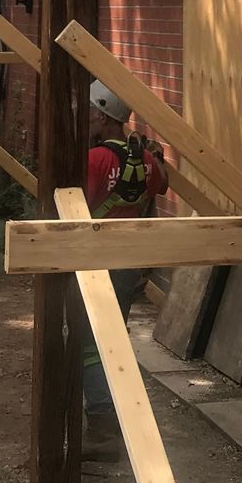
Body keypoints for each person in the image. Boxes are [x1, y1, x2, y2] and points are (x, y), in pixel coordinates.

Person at [80, 79, 167, 462]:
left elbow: (75, 206)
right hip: (128, 263)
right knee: (113, 339)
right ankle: (114, 418)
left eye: (90, 113)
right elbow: (162, 184)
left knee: (89, 345)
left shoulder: (95, 160)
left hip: (95, 260)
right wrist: (157, 157)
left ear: (101, 115)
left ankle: (103, 428)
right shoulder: (144, 160)